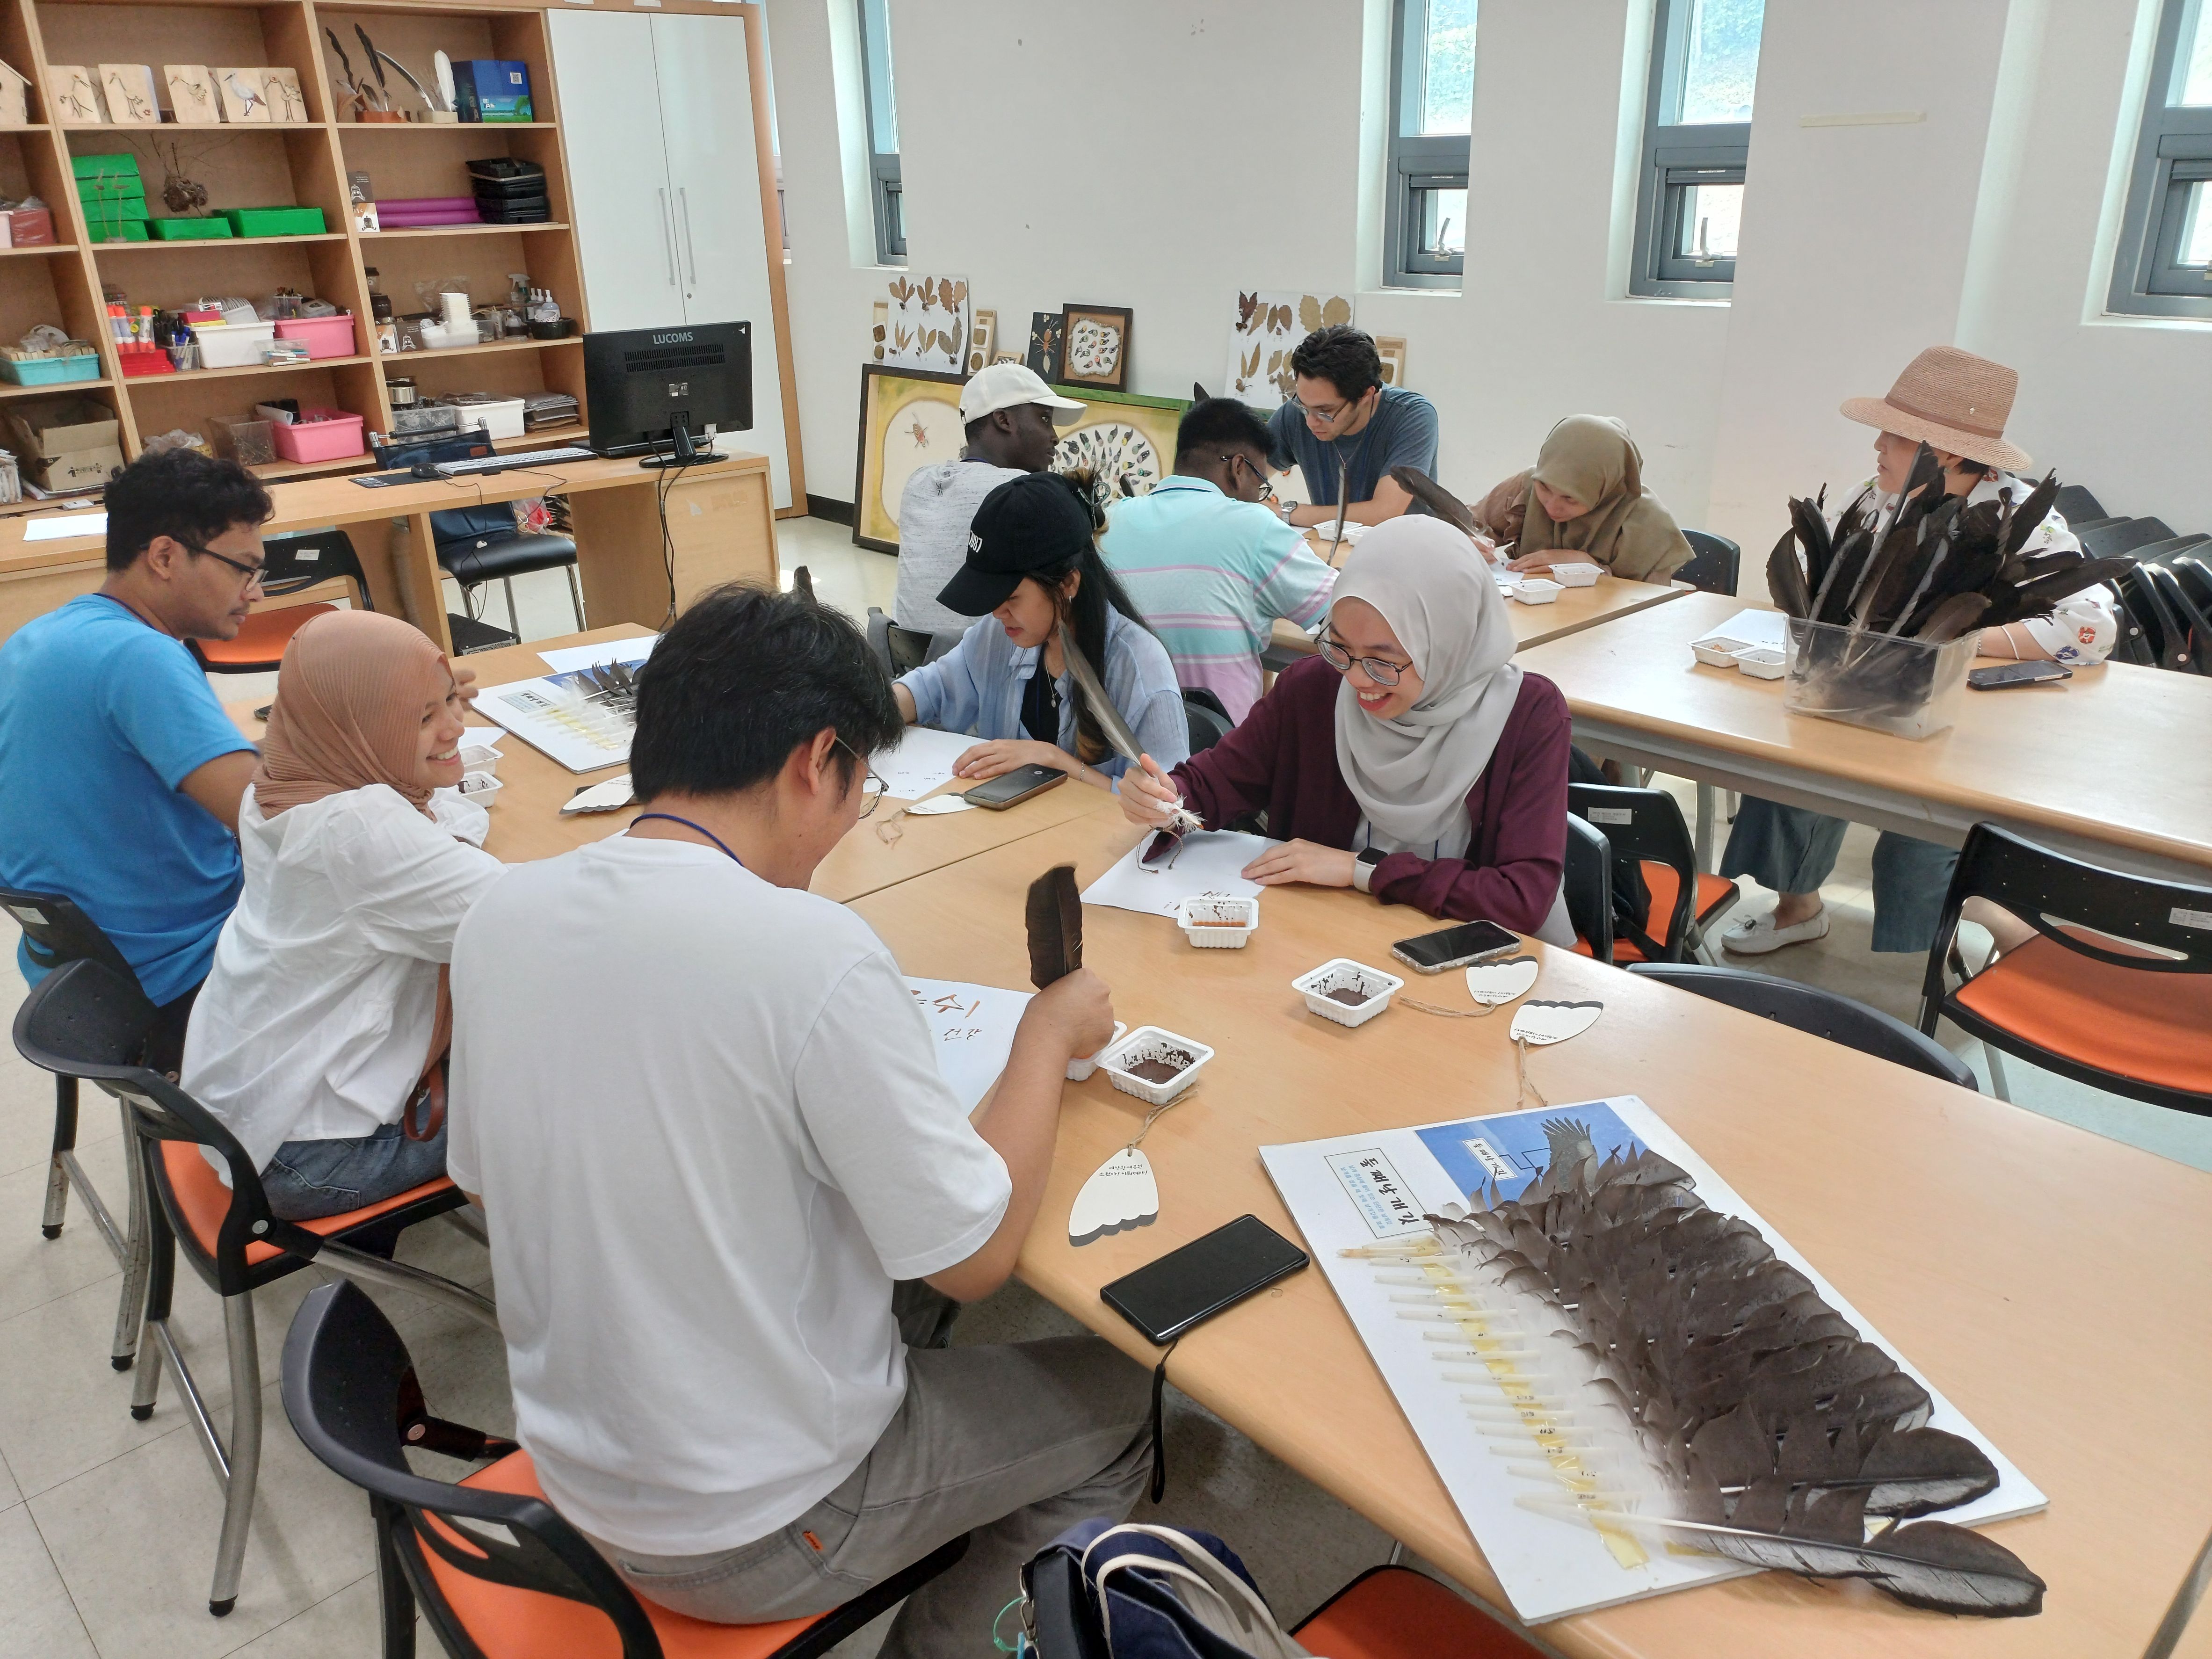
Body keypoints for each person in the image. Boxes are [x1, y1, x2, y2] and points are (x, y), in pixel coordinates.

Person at [447, 584, 1150, 1658]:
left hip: (568, 1472)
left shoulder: (500, 910)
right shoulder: (810, 950)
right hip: (752, 1524)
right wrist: (1046, 1038)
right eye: (861, 785)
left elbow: (485, 1179)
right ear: (818, 761)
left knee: (871, 1252)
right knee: (1129, 1405)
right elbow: (975, 1260)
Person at [1721, 346, 2114, 957]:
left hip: (1960, 714)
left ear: (1947, 452)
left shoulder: (2019, 517)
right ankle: (1797, 907)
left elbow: (2091, 630)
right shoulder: (1872, 498)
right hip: (1860, 689)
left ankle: (1934, 947)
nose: (1877, 444)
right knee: (1792, 774)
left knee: (1924, 829)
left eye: (1894, 435)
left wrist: (1950, 641)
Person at [180, 611, 501, 1219]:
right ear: (357, 727)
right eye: (423, 717)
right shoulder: (356, 827)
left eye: (451, 700)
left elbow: (444, 832)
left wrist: (420, 724)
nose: (456, 725)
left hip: (243, 1114)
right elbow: (528, 921)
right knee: (570, 1071)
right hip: (309, 1159)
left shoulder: (282, 780)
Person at [1121, 516, 1574, 940]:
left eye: (1382, 661)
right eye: (1338, 647)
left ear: (1448, 643)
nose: (1356, 678)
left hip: (1476, 959)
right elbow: (1216, 783)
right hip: (1330, 940)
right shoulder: (1314, 688)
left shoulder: (1526, 714)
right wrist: (1167, 797)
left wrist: (1363, 869)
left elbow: (1520, 897)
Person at [0, 449, 271, 1069]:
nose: (254, 592)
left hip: (76, 979)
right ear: (165, 556)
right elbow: (268, 815)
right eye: (242, 569)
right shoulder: (141, 656)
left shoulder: (36, 639)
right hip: (179, 980)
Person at [895, 470, 1189, 789]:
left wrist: (1057, 763)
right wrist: (869, 713)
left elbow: (1167, 804)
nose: (997, 612)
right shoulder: (999, 635)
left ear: (1068, 583)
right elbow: (928, 690)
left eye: (1011, 597)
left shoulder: (1140, 669)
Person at [1100, 396, 1339, 722]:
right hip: (1217, 744)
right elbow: (1343, 613)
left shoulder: (1109, 520)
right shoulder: (1254, 525)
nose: (1258, 497)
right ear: (1238, 468)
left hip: (1116, 734)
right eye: (1261, 484)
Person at [892, 362, 1084, 634]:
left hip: (902, 653)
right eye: (1044, 419)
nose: (1054, 437)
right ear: (1004, 420)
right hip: (986, 656)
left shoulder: (918, 481)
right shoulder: (1025, 493)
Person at [1472, 414, 1694, 582]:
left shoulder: (1648, 523)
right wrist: (1468, 541)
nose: (1552, 507)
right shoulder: (1529, 484)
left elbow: (1653, 611)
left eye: (1570, 498)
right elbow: (1466, 522)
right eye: (1545, 488)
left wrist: (1590, 567)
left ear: (1606, 489)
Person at [1264, 325, 1439, 529]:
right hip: (1328, 545)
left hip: (1403, 544)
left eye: (1325, 411)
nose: (1310, 421)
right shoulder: (1296, 414)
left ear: (1365, 396)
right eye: (1302, 406)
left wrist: (1285, 512)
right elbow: (1241, 479)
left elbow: (1384, 513)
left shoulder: (1412, 416)